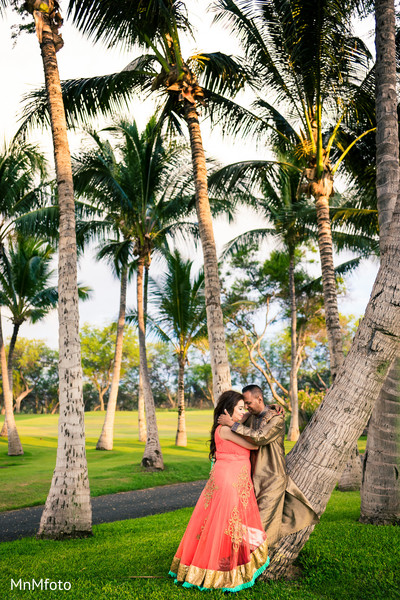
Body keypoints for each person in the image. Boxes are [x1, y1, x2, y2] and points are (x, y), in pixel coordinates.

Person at [169, 390, 270, 592]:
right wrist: (243, 420)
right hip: (229, 480)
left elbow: (244, 426)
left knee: (227, 523)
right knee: (226, 524)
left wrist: (263, 411)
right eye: (239, 408)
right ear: (227, 411)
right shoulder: (225, 429)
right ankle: (222, 570)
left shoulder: (230, 426)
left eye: (245, 408)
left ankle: (228, 562)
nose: (243, 412)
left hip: (234, 478)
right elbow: (254, 445)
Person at [218, 384, 318, 549]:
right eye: (245, 404)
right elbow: (236, 422)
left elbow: (261, 437)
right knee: (245, 521)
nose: (247, 407)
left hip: (271, 478)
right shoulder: (250, 417)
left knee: (261, 525)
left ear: (259, 399)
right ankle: (243, 561)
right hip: (251, 478)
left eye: (249, 403)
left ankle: (255, 563)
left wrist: (233, 425)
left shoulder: (276, 418)